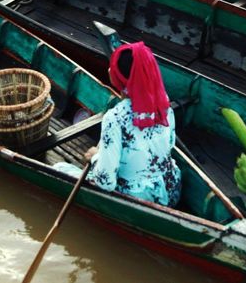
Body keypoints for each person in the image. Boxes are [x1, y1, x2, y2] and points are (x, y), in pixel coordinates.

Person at [63, 43, 181, 206]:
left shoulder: (115, 117)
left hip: (138, 199)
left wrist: (95, 157)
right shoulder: (163, 101)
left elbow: (106, 182)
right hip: (170, 189)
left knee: (61, 168)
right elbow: (169, 146)